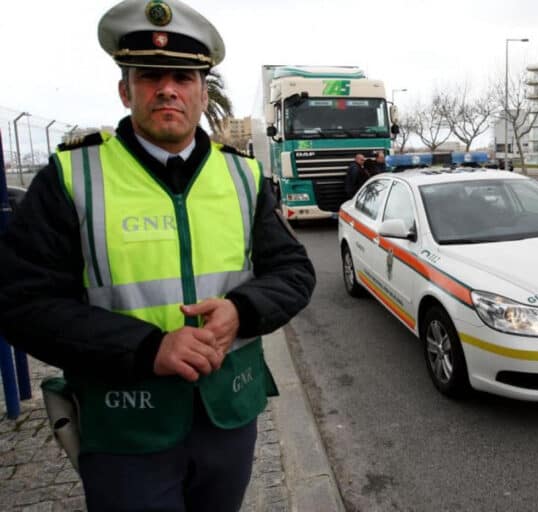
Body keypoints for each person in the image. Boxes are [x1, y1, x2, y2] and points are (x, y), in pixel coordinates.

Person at [0, 1, 316, 510]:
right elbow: (21, 303)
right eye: (150, 76)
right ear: (125, 90)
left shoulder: (243, 176)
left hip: (228, 417)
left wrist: (241, 310)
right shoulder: (70, 178)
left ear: (200, 92)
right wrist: (149, 348)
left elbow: (294, 272)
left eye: (184, 77)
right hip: (125, 427)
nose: (167, 88)